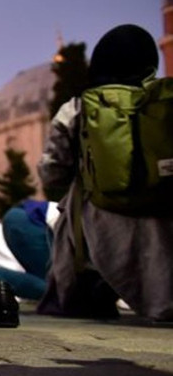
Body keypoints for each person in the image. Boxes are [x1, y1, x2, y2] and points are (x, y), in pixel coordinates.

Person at [38, 24, 173, 321]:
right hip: (164, 228)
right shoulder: (165, 107)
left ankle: (83, 291)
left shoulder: (77, 108)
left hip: (100, 233)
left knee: (71, 207)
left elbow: (52, 174)